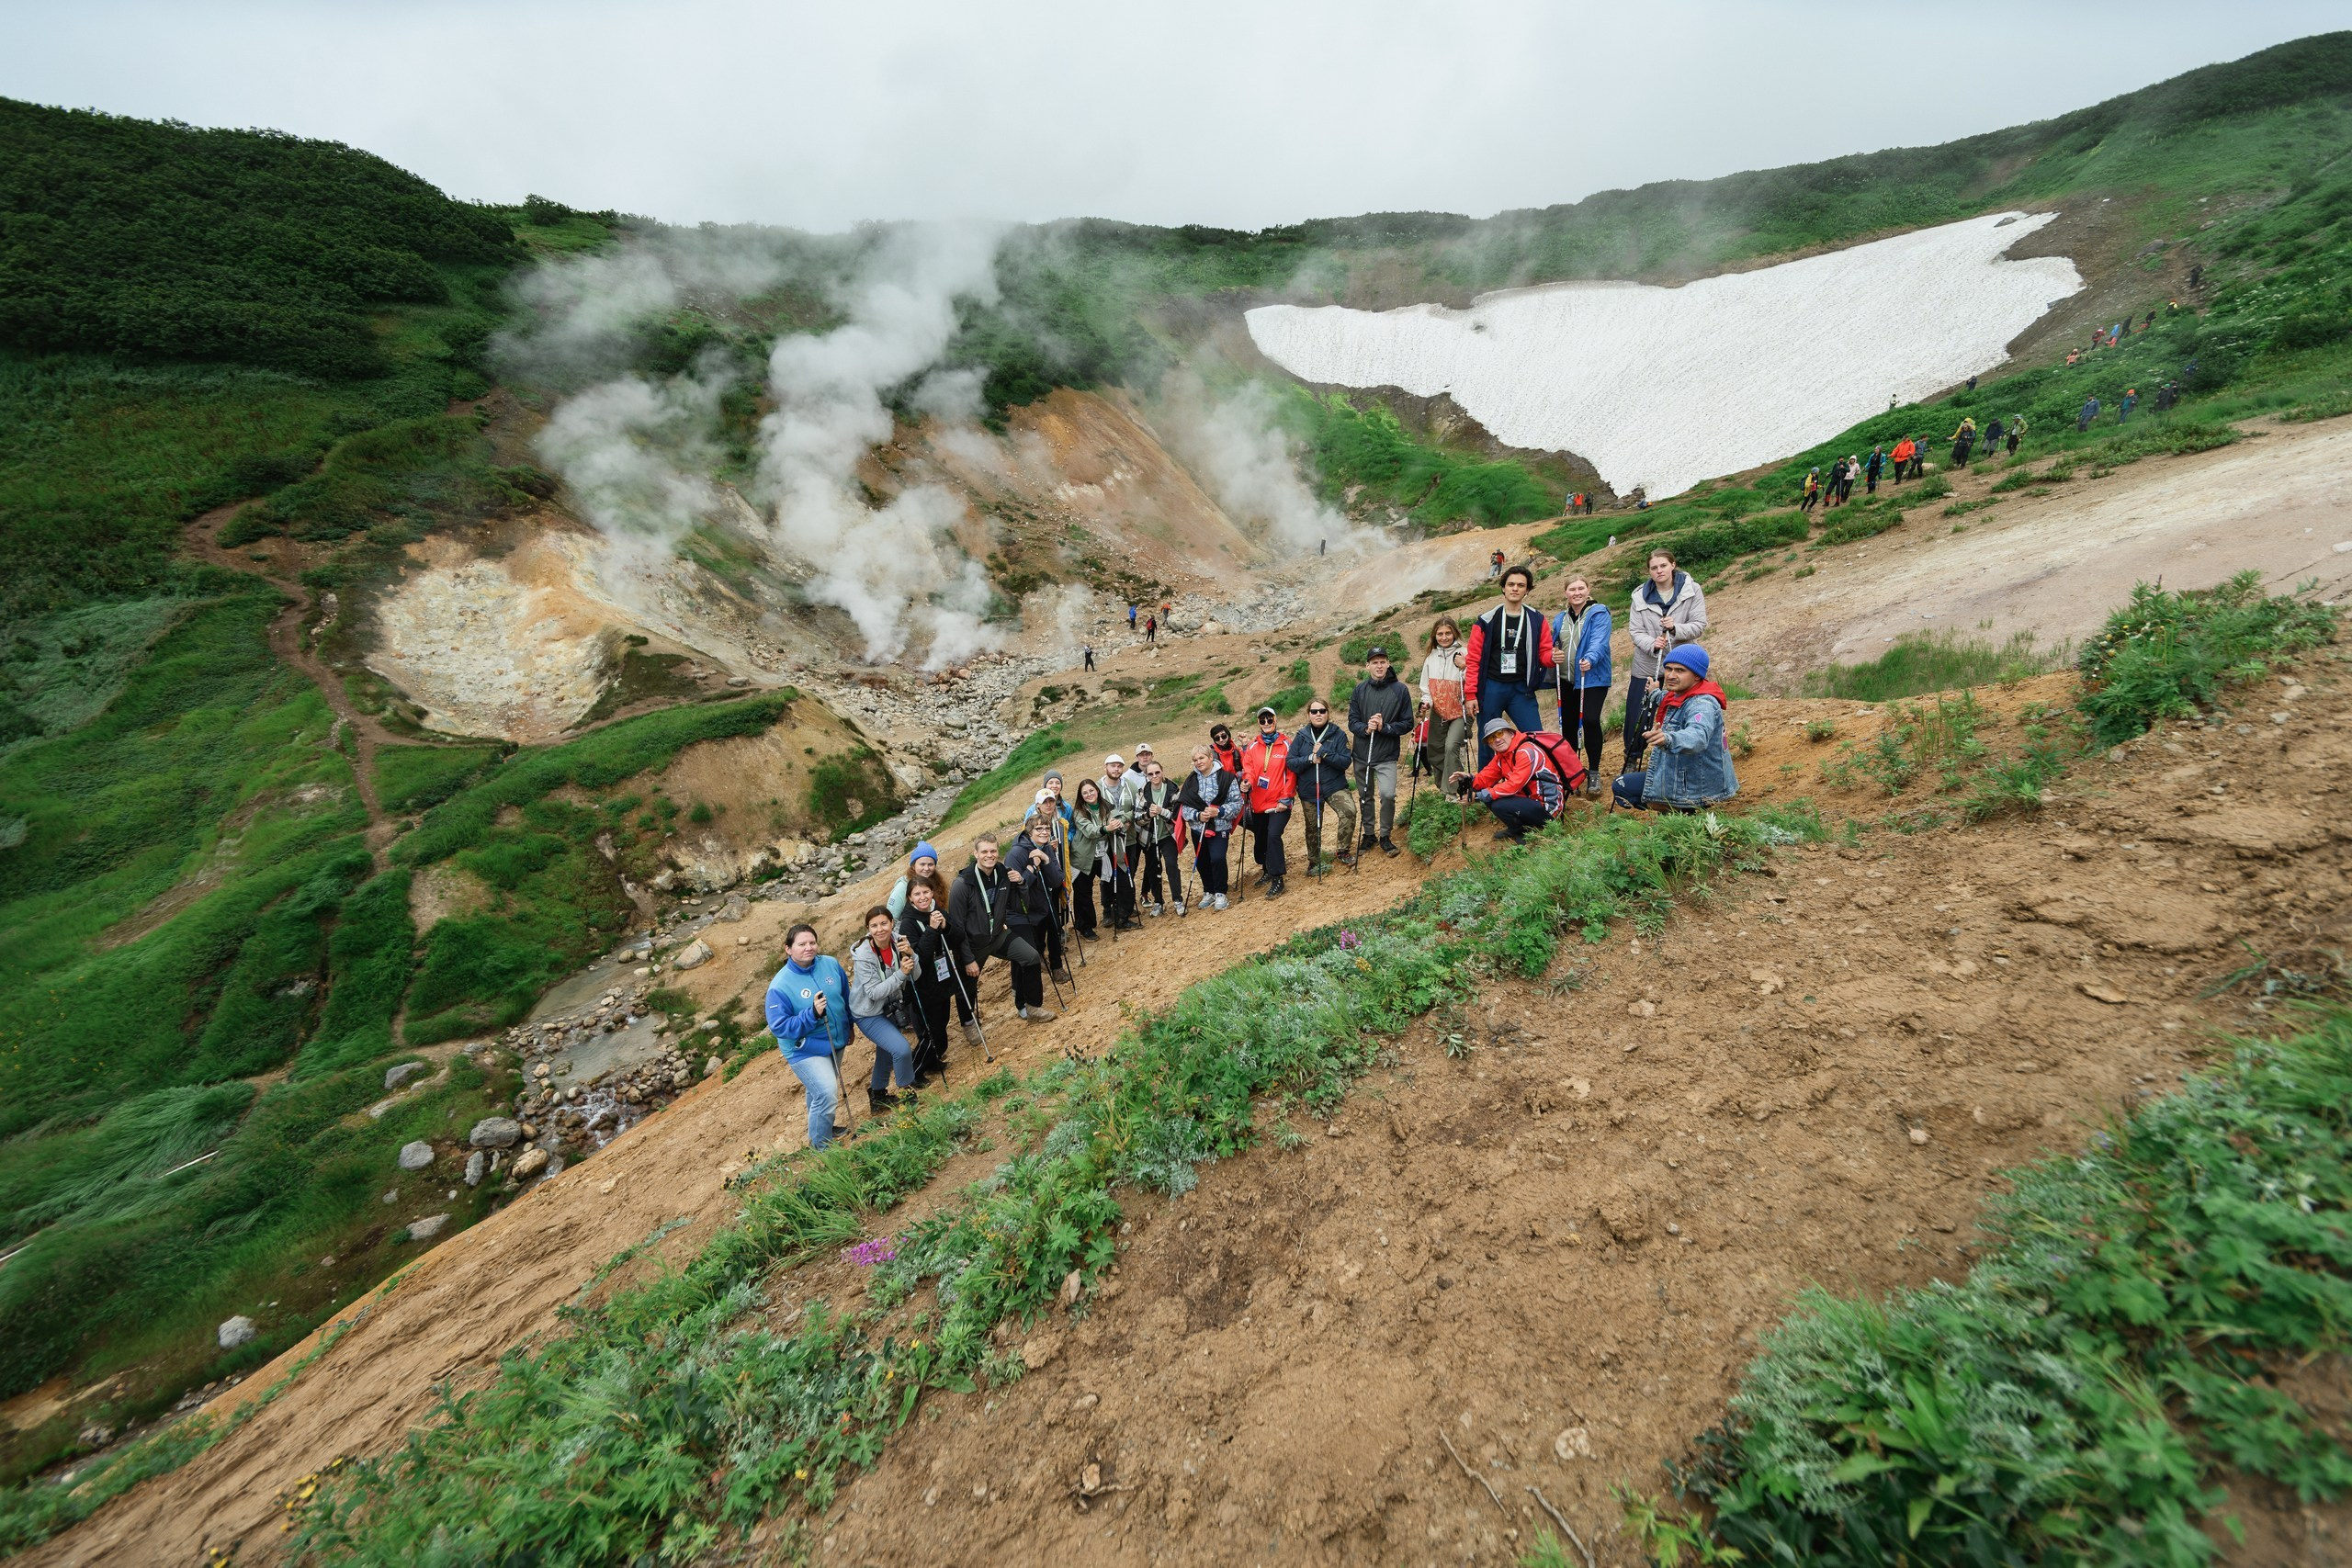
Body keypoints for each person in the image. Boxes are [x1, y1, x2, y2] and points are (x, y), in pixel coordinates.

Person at [1611, 646, 1739, 812]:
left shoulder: (1702, 704)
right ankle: (1678, 810)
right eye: (1668, 669)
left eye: (1680, 670)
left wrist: (1669, 739)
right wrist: (1654, 693)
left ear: (1697, 675)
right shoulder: (1683, 694)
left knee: (1622, 786)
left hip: (1697, 786)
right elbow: (1667, 698)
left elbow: (1698, 735)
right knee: (1629, 783)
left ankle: (1685, 811)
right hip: (1687, 776)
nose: (1671, 675)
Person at [947, 833, 1053, 1024]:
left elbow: (1019, 907)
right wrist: (968, 959)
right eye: (984, 852)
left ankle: (1033, 1007)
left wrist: (1021, 883)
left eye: (993, 851)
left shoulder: (1004, 873)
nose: (990, 855)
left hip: (997, 935)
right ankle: (969, 1024)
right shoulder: (962, 884)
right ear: (976, 854)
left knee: (1031, 957)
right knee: (967, 984)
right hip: (973, 943)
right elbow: (957, 927)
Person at [765, 924, 851, 1150]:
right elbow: (779, 1027)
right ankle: (821, 1147)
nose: (808, 948)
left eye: (812, 942)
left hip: (835, 1040)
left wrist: (849, 1026)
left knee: (819, 1091)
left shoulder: (830, 964)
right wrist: (811, 1014)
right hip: (803, 1048)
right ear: (788, 949)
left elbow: (845, 996)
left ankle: (823, 1128)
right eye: (801, 944)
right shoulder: (780, 986)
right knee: (826, 1092)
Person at [886, 843, 979, 1047]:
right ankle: (922, 1044)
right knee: (929, 1024)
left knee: (940, 1019)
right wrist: (905, 940)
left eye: (931, 864)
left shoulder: (935, 897)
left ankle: (933, 1047)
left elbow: (956, 935)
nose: (927, 868)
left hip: (938, 962)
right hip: (911, 951)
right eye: (922, 864)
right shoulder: (903, 891)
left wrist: (943, 926)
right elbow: (890, 918)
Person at [1623, 548, 1707, 773]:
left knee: (1685, 707)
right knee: (1638, 712)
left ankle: (1684, 753)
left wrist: (1676, 628)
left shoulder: (1692, 589)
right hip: (1647, 664)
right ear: (1649, 571)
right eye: (1654, 568)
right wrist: (1652, 643)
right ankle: (1632, 756)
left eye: (1663, 565)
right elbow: (1635, 631)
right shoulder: (1638, 595)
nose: (1659, 571)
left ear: (1673, 565)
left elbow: (1699, 625)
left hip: (1683, 664)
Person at [1463, 564, 1555, 766]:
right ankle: (1486, 783)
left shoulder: (1537, 619)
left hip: (1521, 689)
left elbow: (1544, 654)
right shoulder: (1487, 620)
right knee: (1488, 740)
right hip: (1492, 687)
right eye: (1511, 584)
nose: (1515, 588)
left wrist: (1552, 657)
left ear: (1527, 590)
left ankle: (1536, 777)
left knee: (1535, 736)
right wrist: (1470, 694)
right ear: (1503, 588)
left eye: (1521, 585)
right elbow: (1474, 659)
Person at [847, 905, 919, 1113]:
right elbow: (873, 993)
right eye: (874, 926)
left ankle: (878, 1095)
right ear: (868, 928)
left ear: (892, 923)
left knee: (887, 1051)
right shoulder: (864, 955)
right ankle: (906, 1091)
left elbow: (916, 975)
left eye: (884, 923)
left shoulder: (899, 942)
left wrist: (912, 955)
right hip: (868, 1012)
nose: (880, 930)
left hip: (890, 1007)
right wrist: (901, 974)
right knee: (901, 1049)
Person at [1454, 714, 1567, 841]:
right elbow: (1486, 777)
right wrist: (1470, 779)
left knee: (1497, 803)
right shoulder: (1502, 755)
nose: (1497, 740)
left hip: (1549, 808)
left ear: (1511, 734)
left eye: (1500, 733)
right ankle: (1518, 828)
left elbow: (1514, 785)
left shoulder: (1526, 751)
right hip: (1529, 800)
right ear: (1489, 744)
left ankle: (1524, 831)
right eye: (1491, 738)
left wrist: (1477, 796)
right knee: (1489, 795)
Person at [1348, 646, 1413, 855]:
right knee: (1365, 795)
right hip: (1362, 753)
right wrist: (1366, 728)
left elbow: (1408, 723)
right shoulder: (1359, 690)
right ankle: (1369, 835)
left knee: (1388, 794)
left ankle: (1385, 835)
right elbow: (1352, 721)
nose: (1379, 666)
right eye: (1375, 662)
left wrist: (1386, 727)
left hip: (1386, 754)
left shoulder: (1400, 690)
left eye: (1382, 662)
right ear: (1367, 666)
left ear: (1388, 664)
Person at [895, 879, 958, 1084]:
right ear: (910, 898)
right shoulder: (908, 923)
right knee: (931, 1033)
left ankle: (931, 1062)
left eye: (926, 892)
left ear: (932, 893)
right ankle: (914, 1071)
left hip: (942, 978)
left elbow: (958, 938)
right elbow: (919, 957)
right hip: (923, 985)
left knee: (942, 1025)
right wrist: (932, 929)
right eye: (917, 894)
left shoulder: (937, 912)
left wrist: (945, 926)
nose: (922, 897)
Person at [1552, 576, 1611, 795]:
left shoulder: (1598, 613)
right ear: (1565, 593)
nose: (1576, 593)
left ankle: (1594, 772)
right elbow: (1553, 643)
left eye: (1580, 588)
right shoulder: (1560, 618)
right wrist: (1553, 653)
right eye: (1572, 589)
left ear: (1588, 590)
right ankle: (1573, 772)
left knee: (1590, 720)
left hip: (1591, 677)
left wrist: (1591, 658)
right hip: (1566, 679)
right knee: (1568, 726)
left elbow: (1599, 641)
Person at [1287, 697, 1356, 871]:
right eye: (1314, 711)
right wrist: (1310, 759)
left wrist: (1324, 752)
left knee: (1349, 811)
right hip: (1310, 789)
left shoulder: (1338, 734)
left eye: (1322, 711)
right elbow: (1291, 762)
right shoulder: (1301, 736)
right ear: (1308, 714)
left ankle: (1343, 850)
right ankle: (1314, 860)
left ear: (1327, 713)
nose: (1318, 714)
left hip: (1334, 786)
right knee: (1312, 826)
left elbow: (1345, 761)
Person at [1011, 801, 1070, 987]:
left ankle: (1057, 967)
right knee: (1034, 940)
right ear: (1030, 832)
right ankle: (1032, 972)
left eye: (1047, 828)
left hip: (1046, 900)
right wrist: (1032, 868)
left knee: (1054, 931)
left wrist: (1046, 859)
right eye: (1039, 829)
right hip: (1028, 907)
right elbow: (1017, 886)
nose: (1044, 832)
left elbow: (1056, 880)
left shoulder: (1046, 848)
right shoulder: (1016, 853)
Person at [1178, 745, 1241, 909]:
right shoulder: (1190, 781)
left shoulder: (1227, 778)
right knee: (1202, 860)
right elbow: (1184, 806)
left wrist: (1218, 811)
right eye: (1195, 760)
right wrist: (1197, 815)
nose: (1198, 762)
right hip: (1198, 829)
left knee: (1217, 858)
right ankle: (1209, 891)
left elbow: (1237, 803)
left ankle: (1220, 892)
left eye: (1201, 758)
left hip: (1220, 827)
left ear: (1211, 757)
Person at [1239, 705, 1294, 897]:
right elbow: (1249, 769)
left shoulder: (1286, 744)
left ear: (1275, 720)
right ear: (1258, 723)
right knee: (1261, 837)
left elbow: (1291, 774)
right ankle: (1267, 870)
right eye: (1262, 720)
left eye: (1269, 719)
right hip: (1258, 802)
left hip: (1280, 803)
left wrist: (1285, 799)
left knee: (1273, 835)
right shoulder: (1253, 746)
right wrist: (1247, 782)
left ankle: (1278, 878)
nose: (1266, 723)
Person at [1067, 777, 1125, 938]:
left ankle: (1118, 915)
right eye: (1085, 793)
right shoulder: (1078, 812)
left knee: (1113, 883)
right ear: (1081, 796)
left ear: (1097, 791)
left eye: (1091, 790)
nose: (1089, 794)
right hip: (1083, 857)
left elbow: (1118, 816)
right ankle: (1085, 927)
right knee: (1083, 893)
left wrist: (1119, 822)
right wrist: (1107, 828)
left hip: (1103, 855)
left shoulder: (1106, 805)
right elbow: (1090, 831)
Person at [1419, 615, 1469, 792]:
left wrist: (1465, 666)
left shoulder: (1464, 652)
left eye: (1448, 633)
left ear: (1455, 633)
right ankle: (1446, 786)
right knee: (1434, 751)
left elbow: (1473, 679)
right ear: (1435, 635)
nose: (1444, 637)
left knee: (1451, 747)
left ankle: (1453, 792)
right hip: (1438, 711)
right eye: (1440, 634)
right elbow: (1426, 688)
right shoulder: (1431, 656)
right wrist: (1426, 703)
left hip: (1461, 711)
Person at [1133, 755, 1185, 915]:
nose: (1154, 776)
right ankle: (1158, 902)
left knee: (1171, 865)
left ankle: (1178, 900)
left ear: (1162, 772)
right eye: (1150, 774)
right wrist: (1148, 815)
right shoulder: (1143, 792)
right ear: (1146, 775)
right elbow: (1137, 818)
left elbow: (1178, 815)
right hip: (1150, 837)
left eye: (1157, 773)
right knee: (1152, 868)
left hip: (1168, 835)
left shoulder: (1172, 788)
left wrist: (1162, 811)